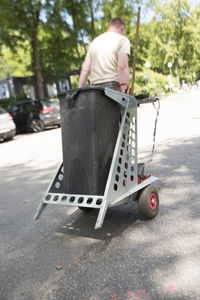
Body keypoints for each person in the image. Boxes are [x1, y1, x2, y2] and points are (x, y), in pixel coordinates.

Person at [78, 17, 130, 93]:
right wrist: (125, 92)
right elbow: (122, 67)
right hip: (112, 88)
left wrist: (79, 91)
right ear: (122, 28)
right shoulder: (122, 40)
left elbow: (85, 70)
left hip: (94, 90)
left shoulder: (94, 42)